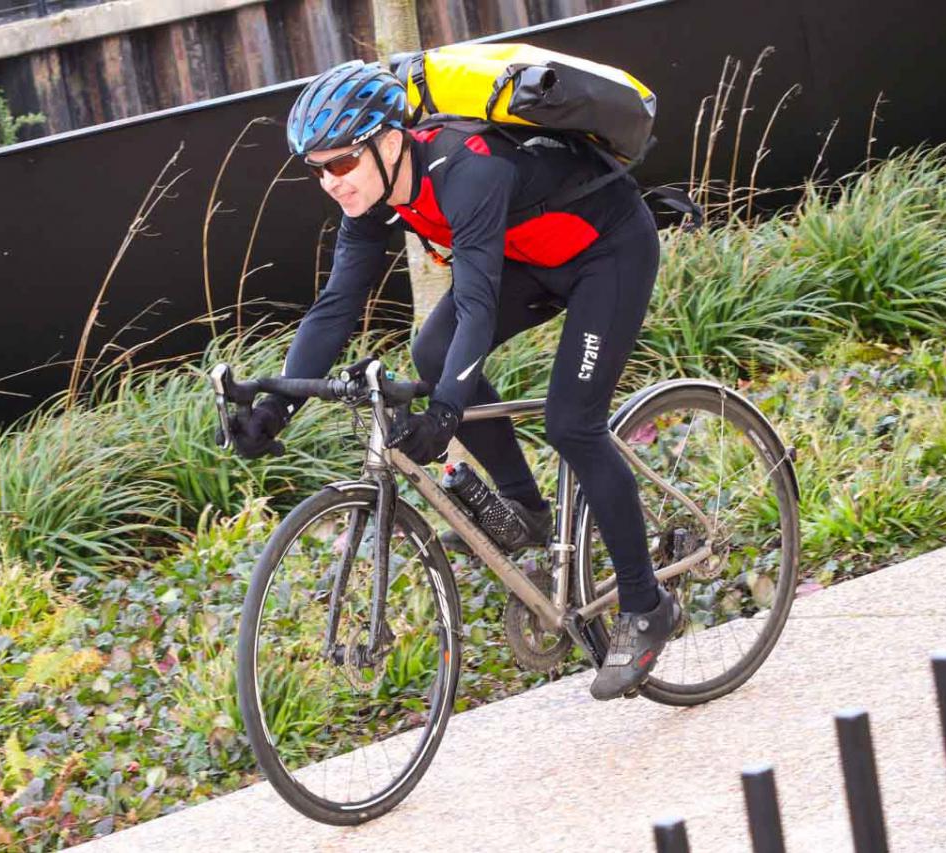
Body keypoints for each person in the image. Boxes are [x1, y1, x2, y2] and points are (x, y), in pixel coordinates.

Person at [226, 59, 680, 700]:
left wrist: (444, 417)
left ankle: (645, 604)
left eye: (339, 163)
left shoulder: (467, 169)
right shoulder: (373, 198)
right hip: (530, 258)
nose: (329, 182)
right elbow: (336, 307)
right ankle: (526, 507)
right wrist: (277, 407)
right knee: (433, 350)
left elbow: (474, 300)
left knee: (570, 422)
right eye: (317, 168)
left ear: (388, 141)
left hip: (607, 252)